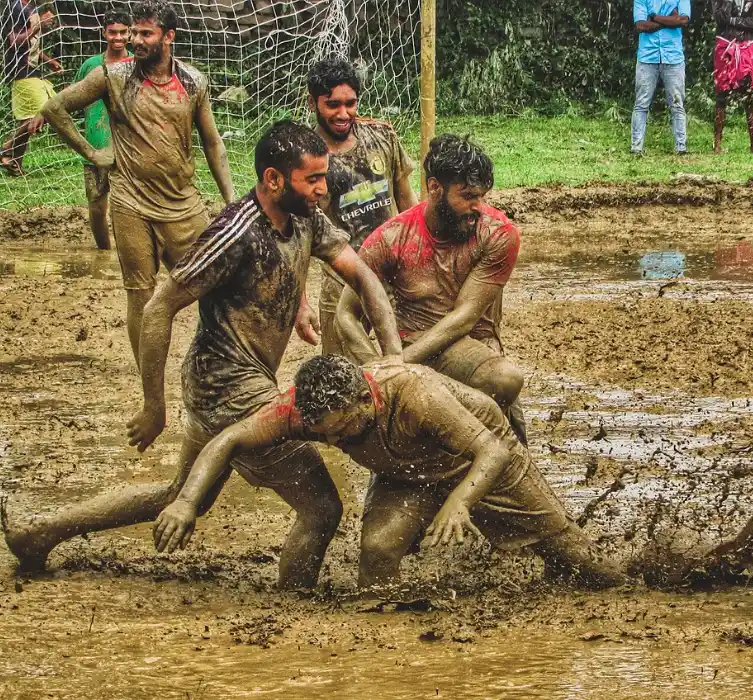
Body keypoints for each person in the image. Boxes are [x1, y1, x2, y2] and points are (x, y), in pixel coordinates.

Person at [2, 121, 402, 590]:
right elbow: (158, 307)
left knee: (180, 493)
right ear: (274, 179)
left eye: (323, 176)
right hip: (225, 389)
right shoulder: (233, 233)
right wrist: (154, 406)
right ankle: (296, 608)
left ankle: (39, 534)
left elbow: (363, 275)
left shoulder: (306, 219)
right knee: (322, 507)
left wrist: (393, 354)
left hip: (240, 382)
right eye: (312, 179)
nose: (323, 187)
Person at [152, 354, 627, 593]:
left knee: (585, 566)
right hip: (404, 473)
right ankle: (387, 634)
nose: (337, 444)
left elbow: (490, 452)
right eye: (325, 436)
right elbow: (227, 439)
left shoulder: (415, 393)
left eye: (343, 431)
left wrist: (459, 501)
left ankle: (628, 581)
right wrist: (187, 501)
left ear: (367, 400)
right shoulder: (304, 411)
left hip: (484, 459)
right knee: (377, 550)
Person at [41, 0, 234, 366]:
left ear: (169, 36)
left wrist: (230, 198)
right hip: (131, 202)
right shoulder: (112, 77)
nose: (136, 40)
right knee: (141, 294)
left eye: (146, 33)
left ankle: (215, 364)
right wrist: (93, 154)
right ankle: (150, 383)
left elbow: (212, 142)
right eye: (134, 32)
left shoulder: (193, 82)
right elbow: (54, 108)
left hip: (182, 203)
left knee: (214, 284)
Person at [335, 134, 530, 443]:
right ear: (434, 188)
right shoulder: (391, 238)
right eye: (467, 196)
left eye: (482, 196)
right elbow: (345, 315)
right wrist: (376, 370)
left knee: (505, 382)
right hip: (411, 346)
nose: (478, 206)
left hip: (467, 344)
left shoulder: (498, 234)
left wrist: (401, 364)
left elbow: (464, 317)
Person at [304, 56, 417, 356]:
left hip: (393, 276)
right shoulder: (305, 159)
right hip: (340, 283)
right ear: (312, 102)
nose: (343, 113)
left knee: (406, 364)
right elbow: (297, 235)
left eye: (350, 103)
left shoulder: (382, 136)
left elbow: (406, 200)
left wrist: (420, 256)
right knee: (341, 380)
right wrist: (299, 301)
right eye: (333, 105)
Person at [74, 7, 132, 250]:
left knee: (127, 208)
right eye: (112, 33)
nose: (117, 38)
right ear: (103, 33)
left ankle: (128, 252)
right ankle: (103, 251)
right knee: (97, 206)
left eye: (122, 32)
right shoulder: (91, 66)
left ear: (130, 34)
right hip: (95, 148)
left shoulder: (136, 64)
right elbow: (73, 98)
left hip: (127, 150)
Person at [0, 0, 61, 176]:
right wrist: (38, 25)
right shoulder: (15, 8)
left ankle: (14, 165)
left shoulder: (30, 8)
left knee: (29, 118)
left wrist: (50, 61)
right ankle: (5, 148)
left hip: (32, 69)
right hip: (20, 71)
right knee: (46, 110)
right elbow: (14, 42)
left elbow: (31, 45)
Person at [630, 0, 689, 155]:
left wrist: (654, 17)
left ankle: (681, 148)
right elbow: (641, 26)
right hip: (647, 57)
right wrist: (670, 21)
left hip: (673, 57)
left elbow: (683, 20)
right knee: (641, 103)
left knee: (677, 104)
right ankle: (636, 147)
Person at [711, 0, 753, 154]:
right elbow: (720, 19)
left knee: (750, 97)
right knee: (721, 96)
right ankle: (717, 144)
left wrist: (732, 21)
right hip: (725, 46)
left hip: (748, 47)